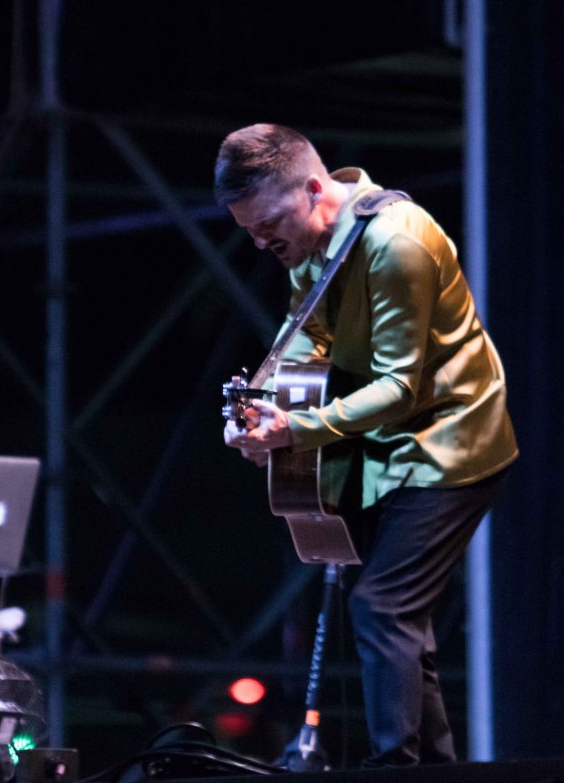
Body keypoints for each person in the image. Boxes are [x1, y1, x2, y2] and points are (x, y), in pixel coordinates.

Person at [214, 123, 518, 767]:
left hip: (451, 442)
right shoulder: (310, 245)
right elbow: (308, 334)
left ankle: (394, 770)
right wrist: (264, 411)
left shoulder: (396, 242)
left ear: (313, 189)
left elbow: (400, 387)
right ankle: (432, 773)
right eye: (249, 231)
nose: (261, 241)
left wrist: (297, 429)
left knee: (382, 608)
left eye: (268, 223)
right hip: (386, 448)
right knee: (402, 625)